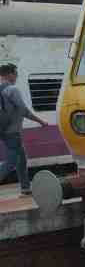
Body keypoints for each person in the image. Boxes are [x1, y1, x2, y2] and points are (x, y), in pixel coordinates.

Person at [0, 64, 51, 195]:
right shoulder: (12, 90)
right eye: (15, 74)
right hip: (12, 131)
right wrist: (40, 121)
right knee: (11, 162)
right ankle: (25, 187)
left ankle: (25, 188)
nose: (16, 77)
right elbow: (23, 110)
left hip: (3, 130)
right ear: (9, 74)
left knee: (21, 159)